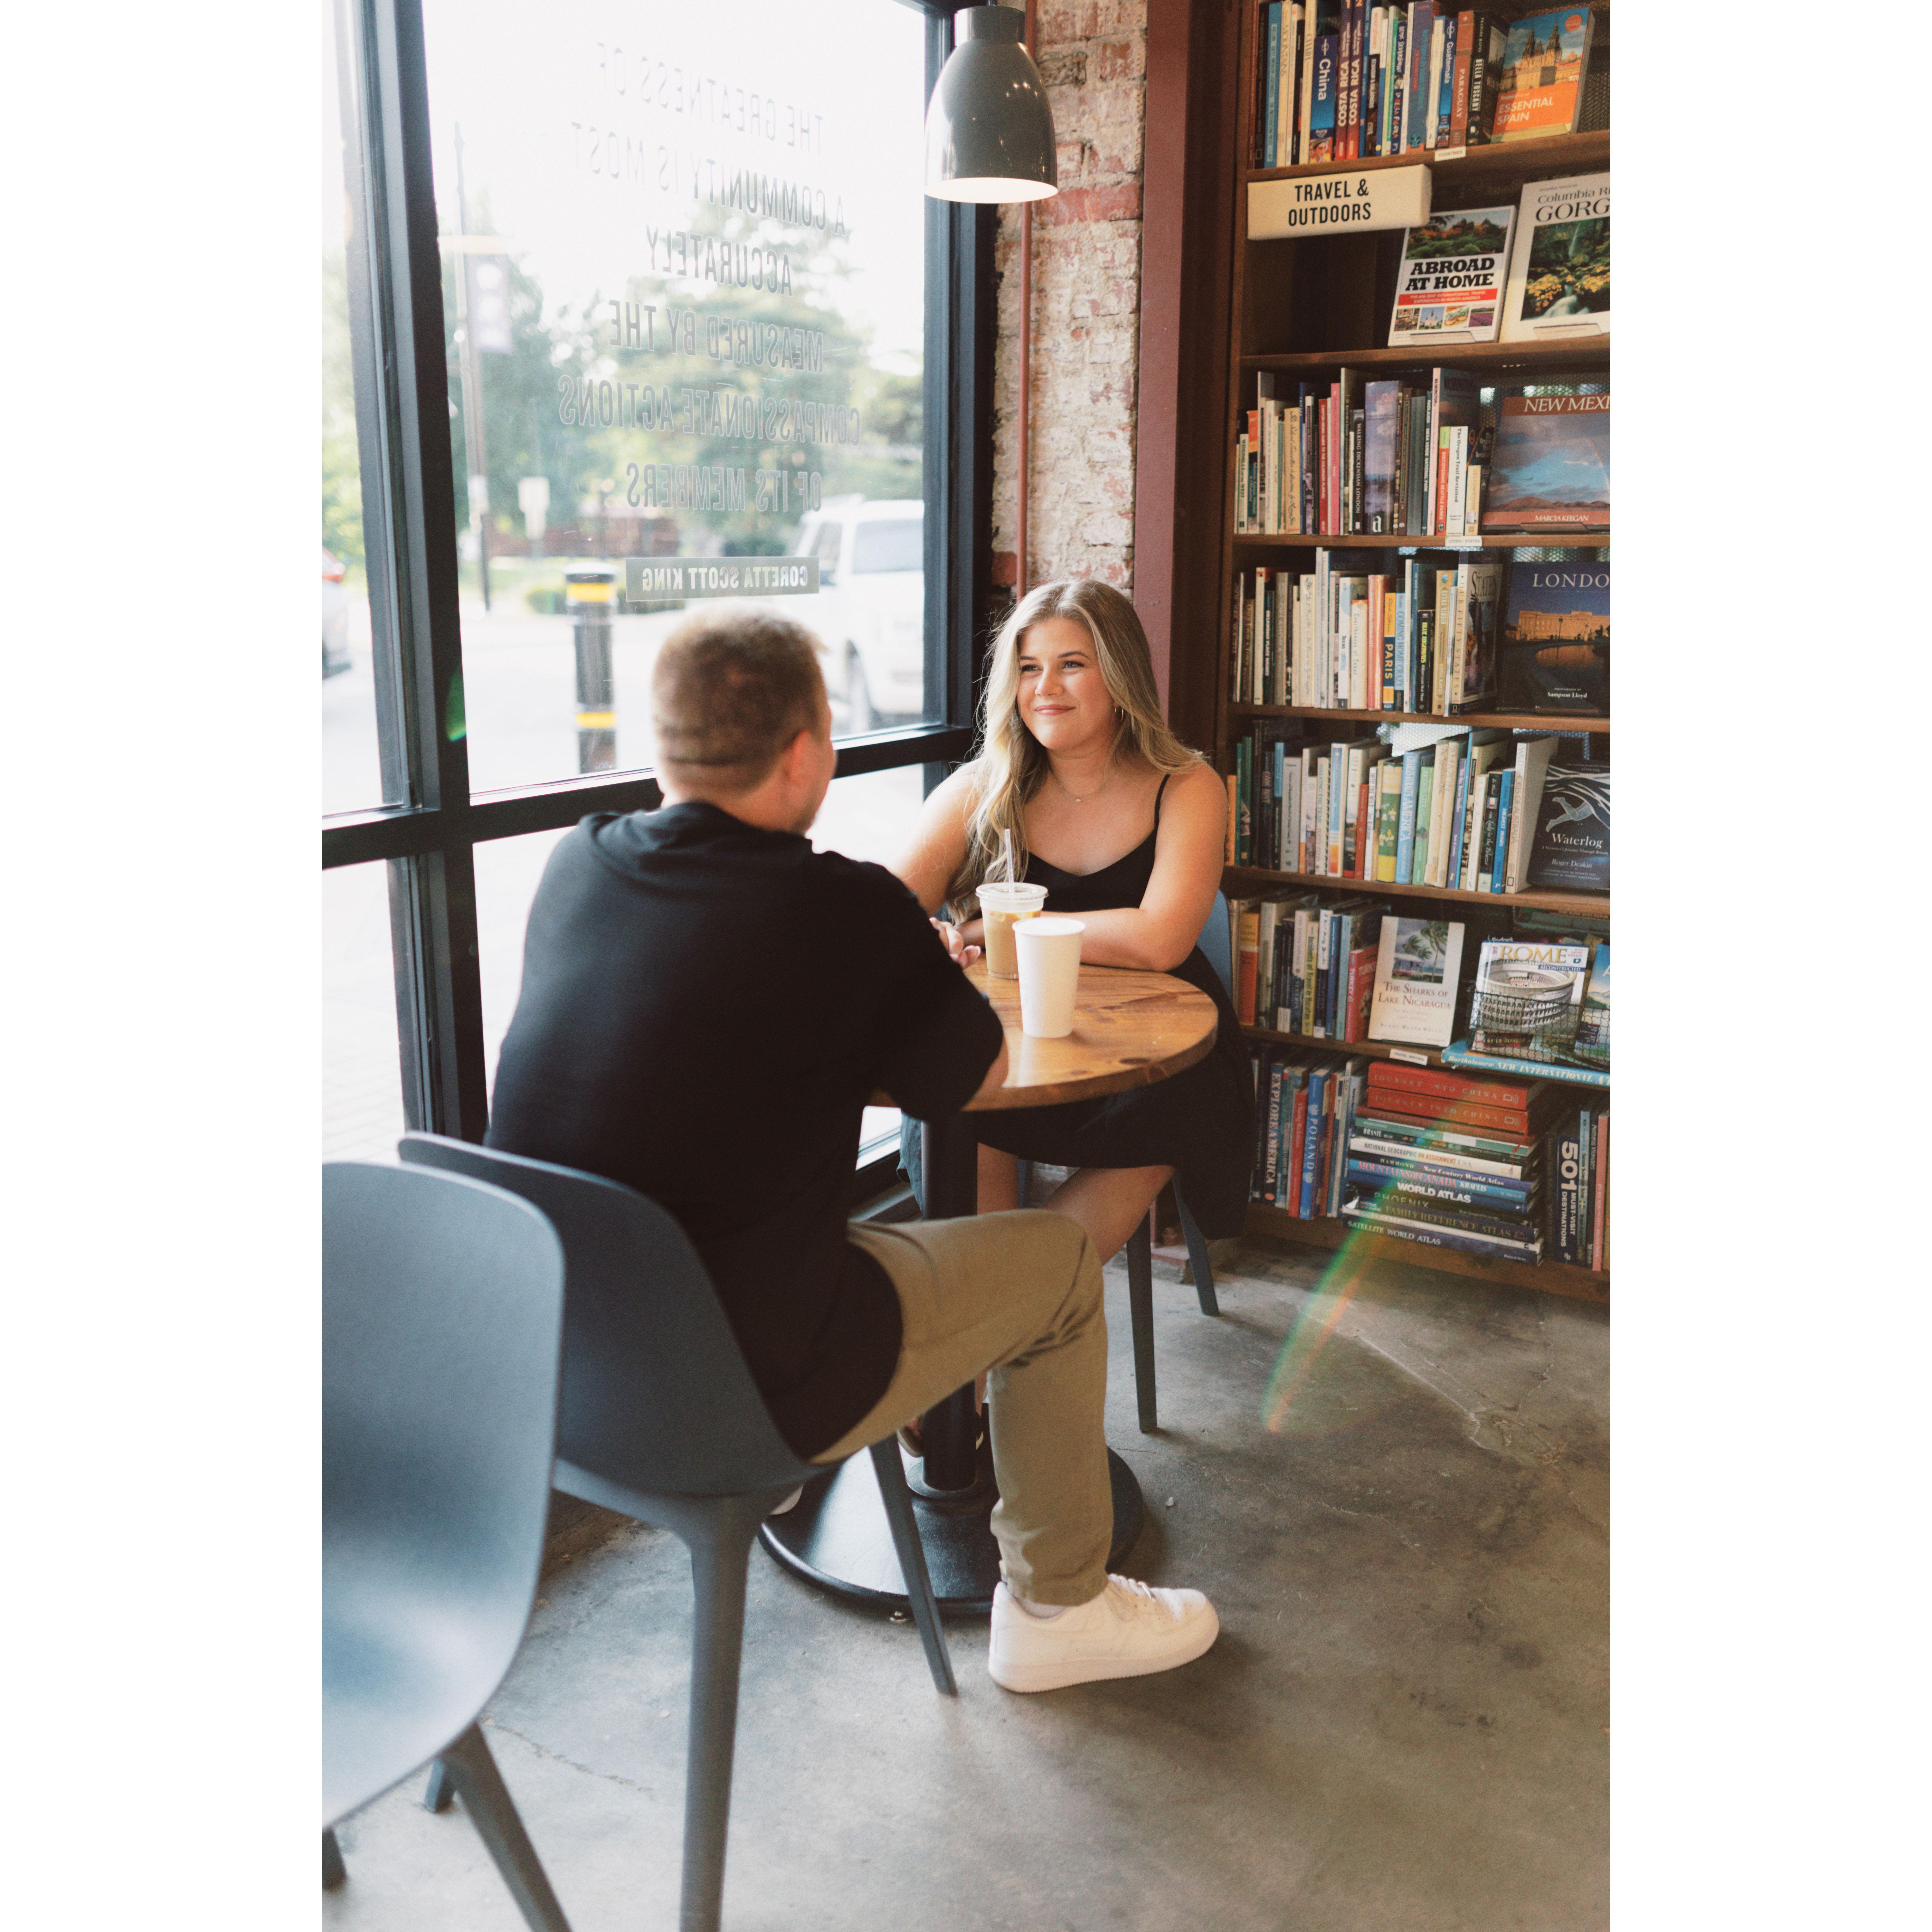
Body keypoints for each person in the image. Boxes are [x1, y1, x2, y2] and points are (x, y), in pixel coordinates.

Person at [485, 604, 1218, 1691]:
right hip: (755, 1383)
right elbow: (970, 1080)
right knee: (1061, 1270)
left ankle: (900, 1448)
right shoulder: (843, 914)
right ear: (808, 753)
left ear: (663, 744)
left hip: (558, 1375)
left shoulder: (578, 863)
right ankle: (1057, 1608)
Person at [891, 577, 1255, 1269]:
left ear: (1120, 676)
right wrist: (925, 936)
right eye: (1029, 668)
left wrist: (995, 929)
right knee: (953, 1095)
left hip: (1159, 1052)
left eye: (1072, 664)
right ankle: (1019, 1306)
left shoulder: (1187, 785)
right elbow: (882, 910)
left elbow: (1160, 940)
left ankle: (1012, 1308)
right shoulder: (982, 787)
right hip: (1011, 1037)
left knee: (1182, 1105)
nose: (1045, 688)